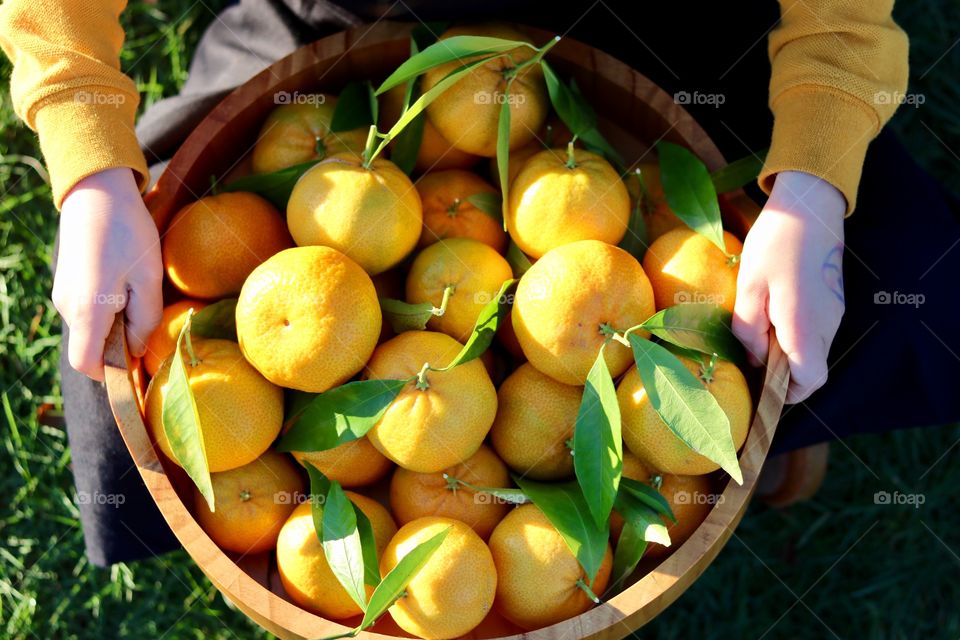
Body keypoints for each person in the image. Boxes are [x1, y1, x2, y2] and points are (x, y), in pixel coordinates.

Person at [1, 0, 957, 566]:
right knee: (121, 378)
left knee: (906, 278)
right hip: (357, 27)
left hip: (669, 25)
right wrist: (89, 166)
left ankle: (719, 451)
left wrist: (815, 183)